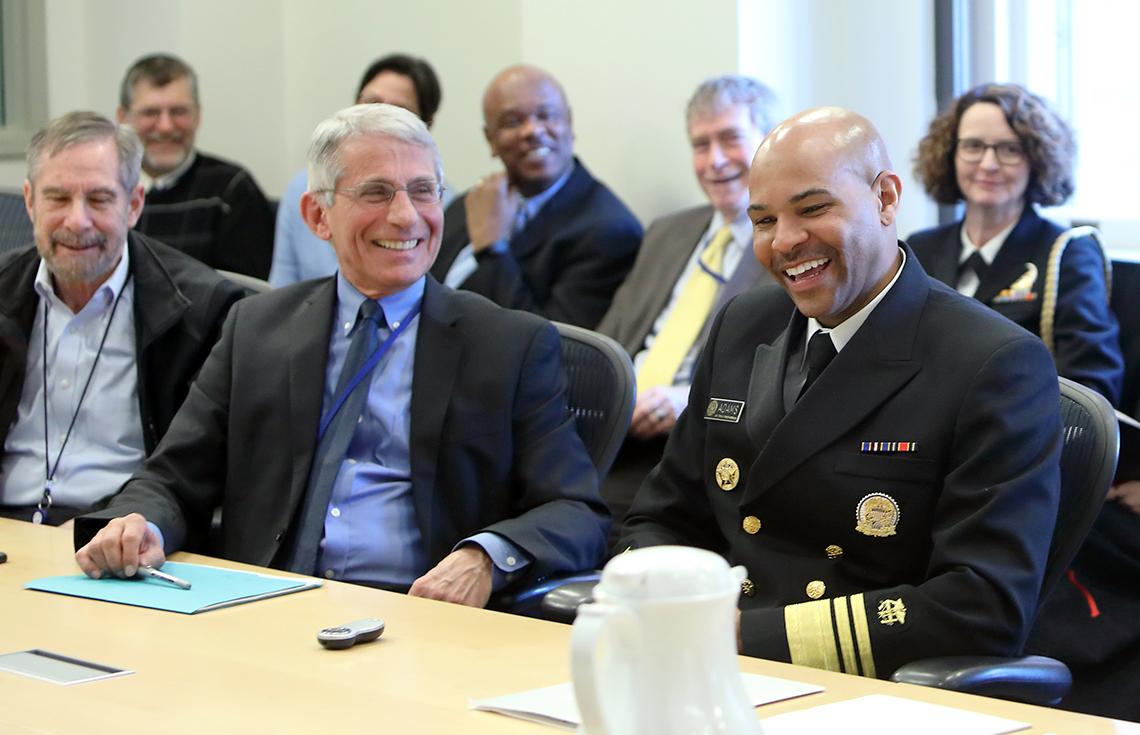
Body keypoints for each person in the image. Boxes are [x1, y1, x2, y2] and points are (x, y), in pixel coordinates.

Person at [73, 104, 609, 607]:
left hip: (421, 618)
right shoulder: (255, 328)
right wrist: (140, 521)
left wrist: (486, 556)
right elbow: (172, 477)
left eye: (423, 191)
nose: (406, 216)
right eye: (376, 192)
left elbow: (577, 511)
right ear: (317, 215)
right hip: (266, 608)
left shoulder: (508, 344)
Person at [619, 107, 1062, 678]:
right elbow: (664, 515)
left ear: (885, 199)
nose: (785, 241)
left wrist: (740, 635)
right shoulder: (744, 324)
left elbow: (983, 604)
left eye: (812, 209)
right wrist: (654, 600)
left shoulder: (993, 362)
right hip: (706, 664)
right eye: (762, 221)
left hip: (860, 684)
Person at [0, 111, 244, 524]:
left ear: (133, 205)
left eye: (99, 199)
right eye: (57, 198)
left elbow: (198, 473)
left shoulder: (204, 310)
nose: (77, 222)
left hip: (122, 533)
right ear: (29, 201)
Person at [596, 76, 776, 535]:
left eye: (730, 139)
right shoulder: (666, 233)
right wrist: (616, 396)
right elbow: (608, 340)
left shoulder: (786, 245)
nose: (715, 161)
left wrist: (691, 401)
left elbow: (778, 376)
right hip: (612, 440)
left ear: (768, 143)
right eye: (701, 144)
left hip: (702, 457)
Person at [909, 83, 1122, 406]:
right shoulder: (919, 249)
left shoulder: (1067, 253)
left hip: (1016, 439)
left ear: (1037, 159)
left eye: (1010, 149)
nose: (989, 164)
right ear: (949, 154)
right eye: (973, 146)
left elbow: (1091, 389)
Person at [431, 65, 642, 329]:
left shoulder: (608, 231)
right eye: (512, 121)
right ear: (490, 140)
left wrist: (493, 249)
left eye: (546, 115)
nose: (532, 130)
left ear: (569, 124)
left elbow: (554, 345)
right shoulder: (472, 203)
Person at [271, 53, 451, 287]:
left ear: (426, 124)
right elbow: (281, 294)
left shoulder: (448, 204)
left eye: (398, 111)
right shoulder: (304, 188)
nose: (406, 215)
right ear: (317, 214)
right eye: (372, 104)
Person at [117, 54, 275, 279]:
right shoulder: (105, 190)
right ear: (123, 118)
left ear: (198, 115)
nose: (164, 126)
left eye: (178, 112)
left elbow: (248, 298)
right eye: (150, 113)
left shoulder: (231, 191)